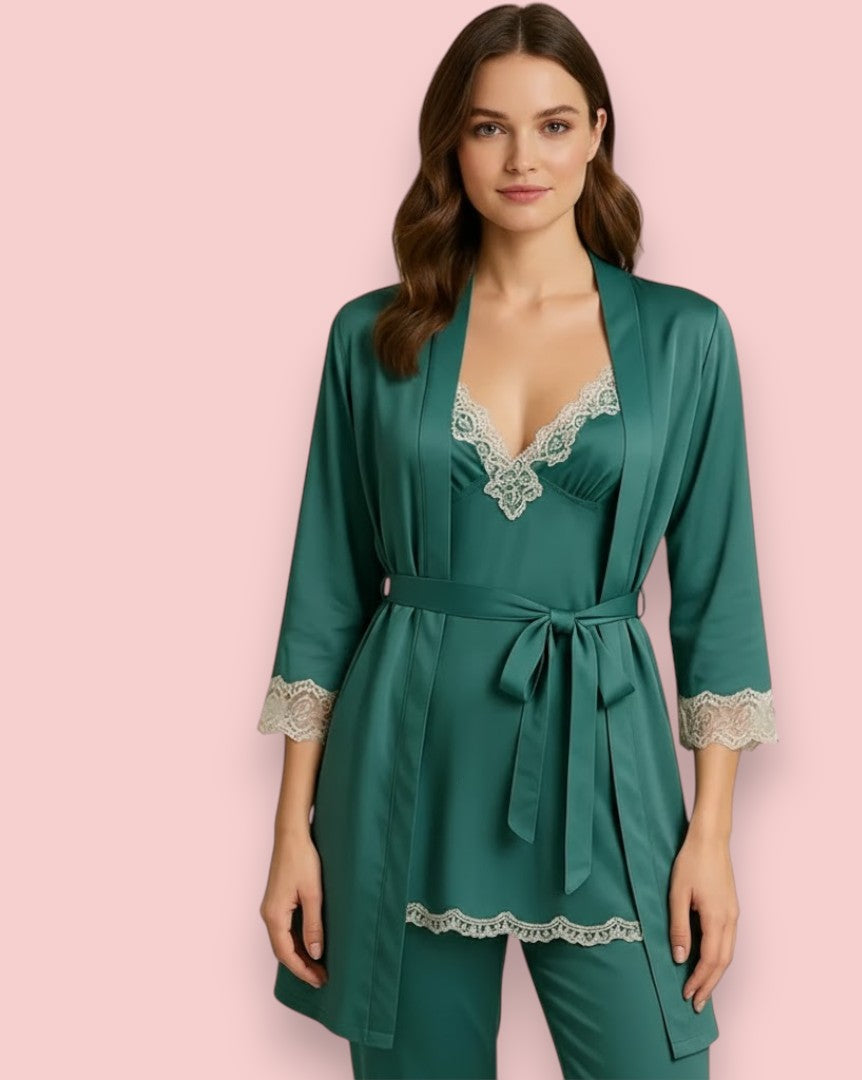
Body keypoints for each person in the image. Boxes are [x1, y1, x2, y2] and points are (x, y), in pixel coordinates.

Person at [256, 4, 778, 1078]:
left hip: (608, 763)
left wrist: (713, 837)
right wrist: (291, 832)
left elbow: (717, 599)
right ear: (452, 143)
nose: (521, 158)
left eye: (552, 125)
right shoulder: (375, 334)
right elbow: (327, 591)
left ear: (597, 133)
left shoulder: (685, 337)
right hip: (406, 761)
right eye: (488, 127)